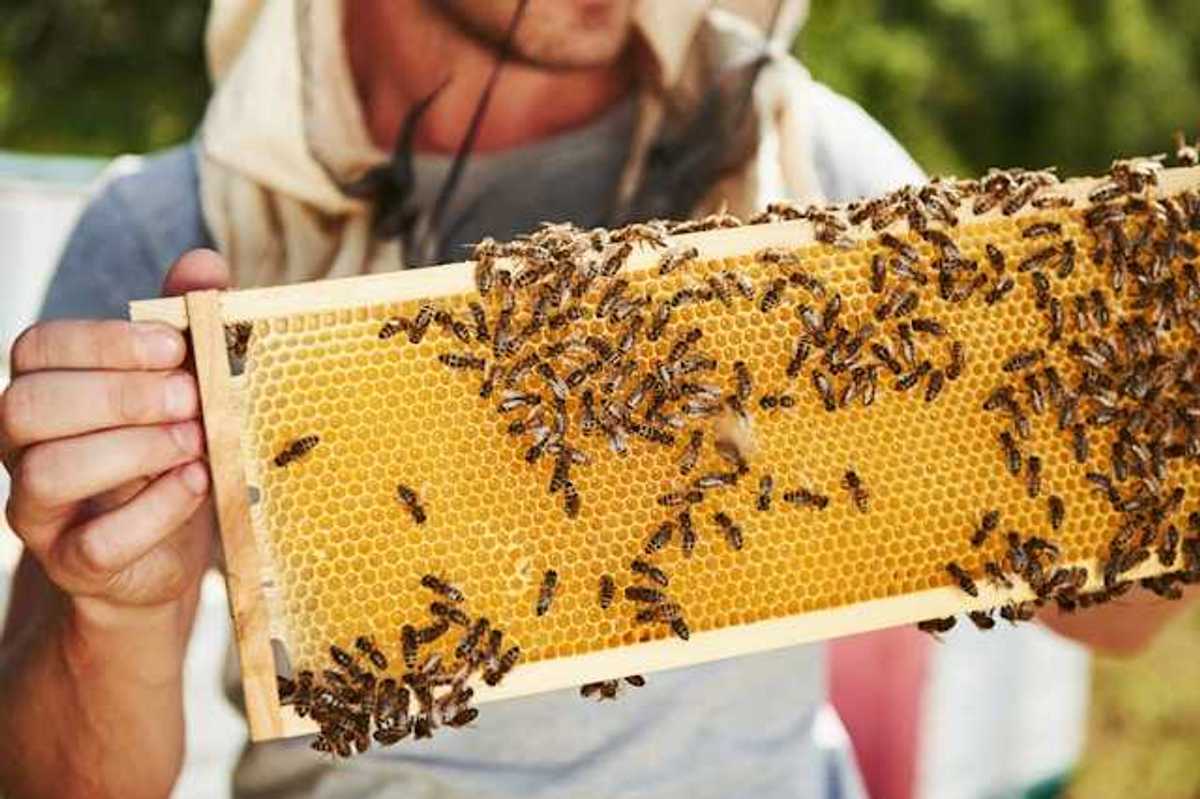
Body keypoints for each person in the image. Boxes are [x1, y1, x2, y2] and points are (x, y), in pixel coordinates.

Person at [0, 2, 1192, 797]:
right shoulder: (172, 233)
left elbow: (1119, 614)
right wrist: (110, 612)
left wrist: (1166, 412)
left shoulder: (802, 157)